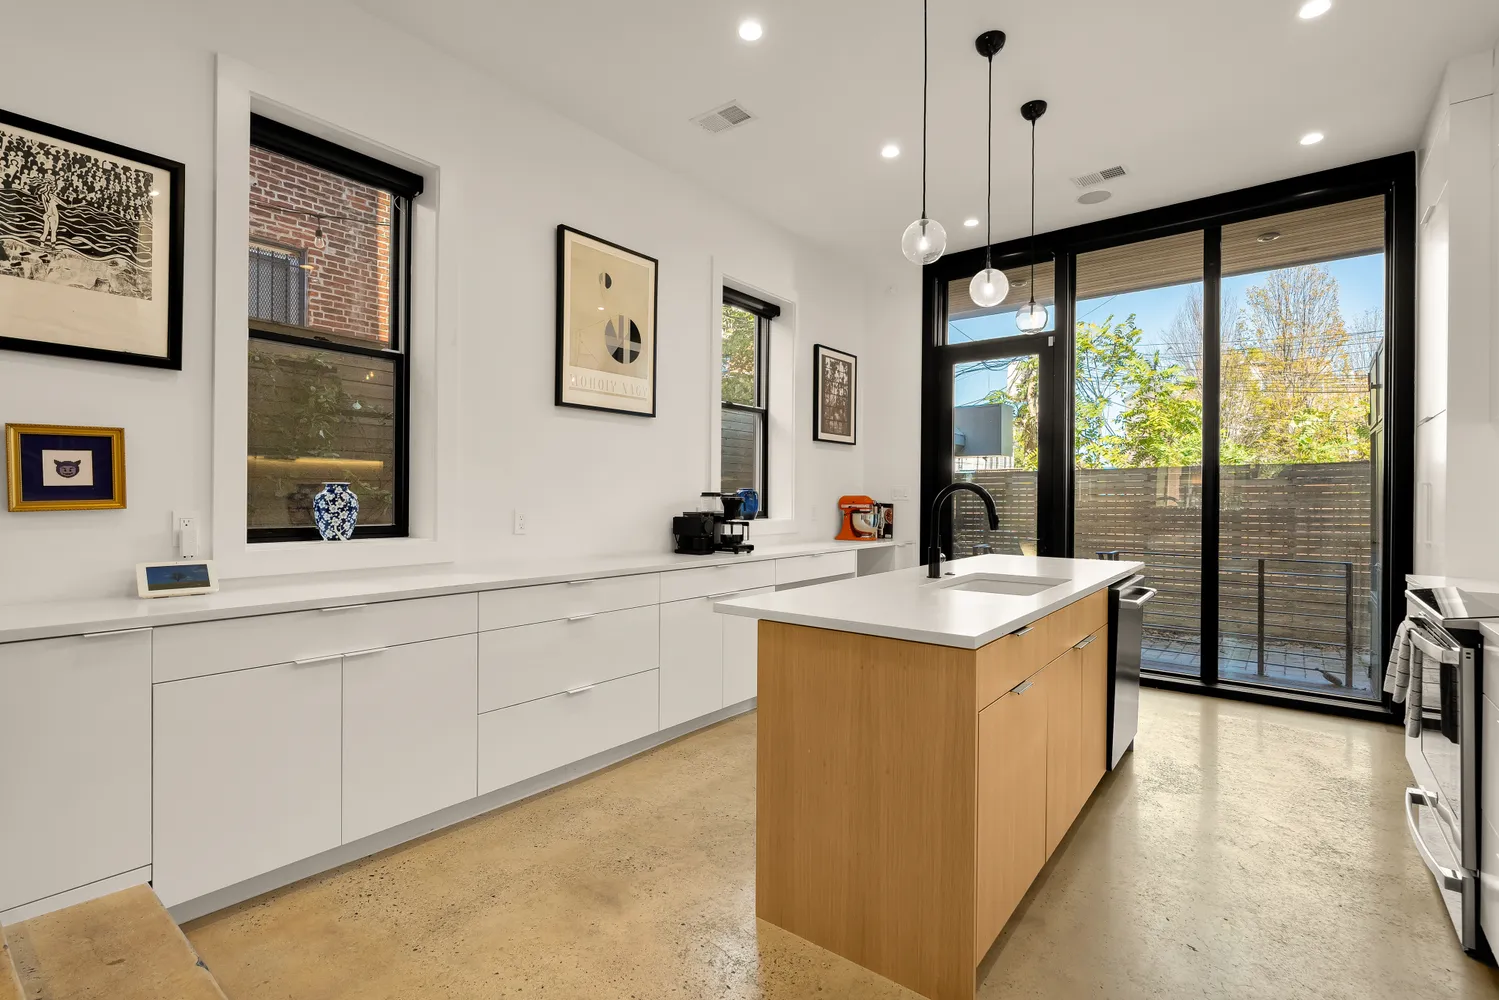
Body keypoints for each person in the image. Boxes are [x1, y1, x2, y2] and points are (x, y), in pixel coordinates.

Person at [39, 175, 59, 246]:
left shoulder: (43, 195)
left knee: (45, 231)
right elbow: (67, 205)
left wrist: (48, 213)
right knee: (53, 231)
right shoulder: (53, 196)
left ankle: (42, 245)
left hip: (46, 214)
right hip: (54, 215)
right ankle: (53, 246)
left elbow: (45, 207)